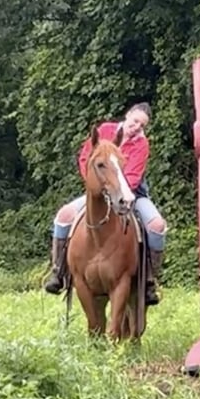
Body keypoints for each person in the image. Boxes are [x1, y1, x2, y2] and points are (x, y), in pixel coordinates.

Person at [44, 102, 167, 305]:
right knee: (64, 216)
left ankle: (149, 280)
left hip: (131, 193)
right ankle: (58, 272)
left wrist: (117, 190)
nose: (137, 127)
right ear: (127, 116)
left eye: (142, 125)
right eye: (135, 121)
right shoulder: (105, 130)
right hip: (100, 191)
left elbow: (133, 177)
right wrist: (94, 184)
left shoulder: (141, 145)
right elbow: (86, 157)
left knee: (157, 225)